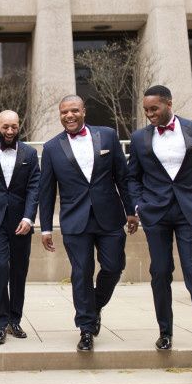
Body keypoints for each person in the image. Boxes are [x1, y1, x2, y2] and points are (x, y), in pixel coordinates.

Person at [127, 85, 192, 373]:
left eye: (154, 108)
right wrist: (137, 206)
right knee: (160, 272)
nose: (149, 114)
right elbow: (132, 177)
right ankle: (165, 332)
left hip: (190, 212)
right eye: (146, 110)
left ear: (169, 103)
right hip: (155, 213)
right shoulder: (139, 138)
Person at [39, 95, 138, 352]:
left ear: (84, 111)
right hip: (74, 220)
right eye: (63, 112)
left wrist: (131, 210)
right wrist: (46, 227)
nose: (69, 116)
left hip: (109, 216)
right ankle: (85, 328)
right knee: (81, 272)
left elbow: (122, 177)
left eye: (73, 110)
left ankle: (93, 306)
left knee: (114, 267)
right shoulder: (51, 148)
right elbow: (47, 191)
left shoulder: (107, 136)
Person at [0, 110, 40, 344]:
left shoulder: (30, 153)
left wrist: (29, 218)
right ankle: (0, 322)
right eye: (5, 126)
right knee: (1, 267)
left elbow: (34, 188)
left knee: (19, 270)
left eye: (14, 127)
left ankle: (14, 320)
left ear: (19, 126)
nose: (9, 131)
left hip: (21, 222)